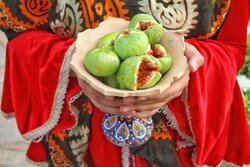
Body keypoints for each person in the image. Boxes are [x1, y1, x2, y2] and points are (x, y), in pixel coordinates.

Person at [0, 0, 250, 166]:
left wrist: (193, 64)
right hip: (78, 138)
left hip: (175, 138)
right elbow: (18, 35)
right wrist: (69, 60)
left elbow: (232, 46)